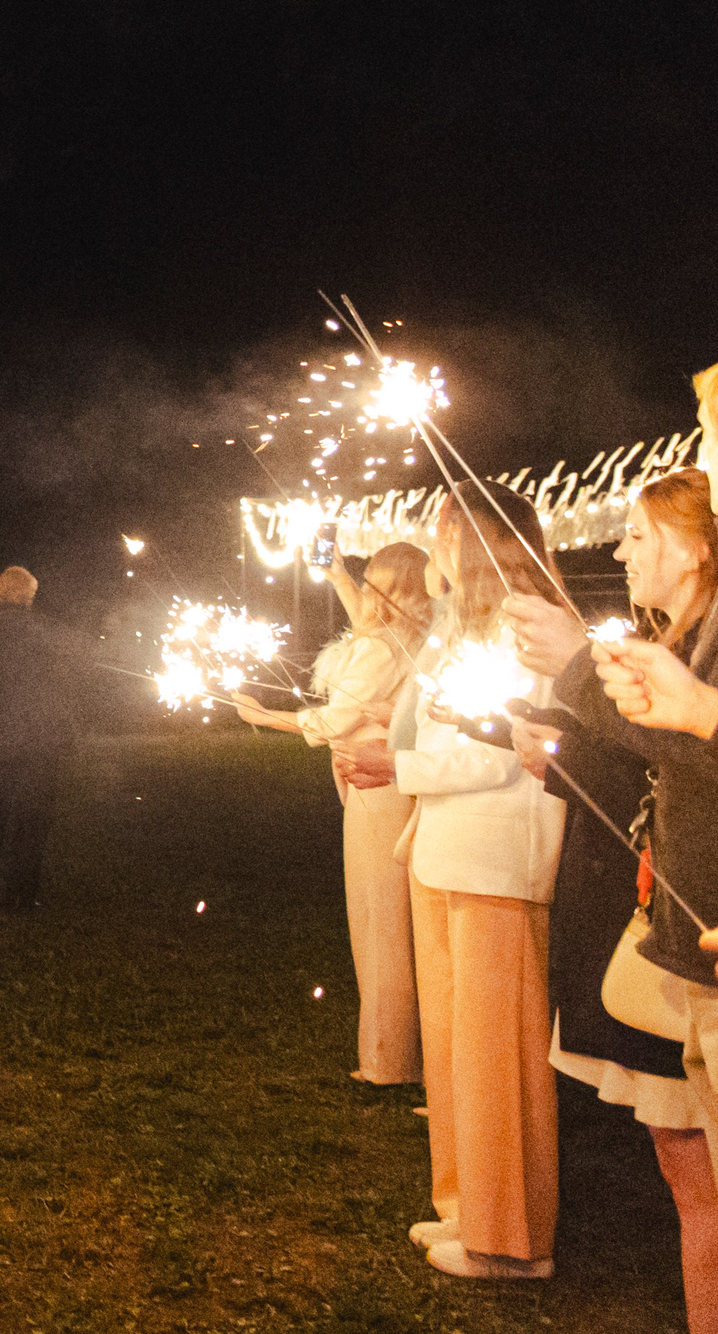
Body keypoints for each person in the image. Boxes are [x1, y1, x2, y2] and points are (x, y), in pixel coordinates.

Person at [515, 342, 718, 1334]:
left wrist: (697, 707)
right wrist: (619, 687)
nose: (700, 455)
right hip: (717, 956)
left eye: (708, 430)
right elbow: (686, 741)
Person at [391, 482, 567, 1282]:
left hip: (497, 856)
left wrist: (397, 768)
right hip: (448, 849)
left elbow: (504, 753)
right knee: (457, 1048)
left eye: (446, 527)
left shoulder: (526, 626)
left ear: (484, 539)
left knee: (499, 1055)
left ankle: (512, 1238)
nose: (435, 539)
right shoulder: (461, 628)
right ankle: (468, 1205)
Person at [231, 543, 432, 1084]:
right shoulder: (416, 637)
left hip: (375, 787)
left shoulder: (379, 648)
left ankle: (389, 1060)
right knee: (399, 919)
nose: (364, 589)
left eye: (371, 581)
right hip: (398, 784)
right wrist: (338, 576)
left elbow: (335, 719)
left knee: (378, 921)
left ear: (386, 588)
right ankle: (409, 1053)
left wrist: (263, 716)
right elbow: (372, 636)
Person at [0, 565, 89, 910]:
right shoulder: (49, 637)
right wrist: (67, 730)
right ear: (29, 597)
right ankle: (20, 894)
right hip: (39, 742)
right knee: (31, 821)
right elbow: (65, 688)